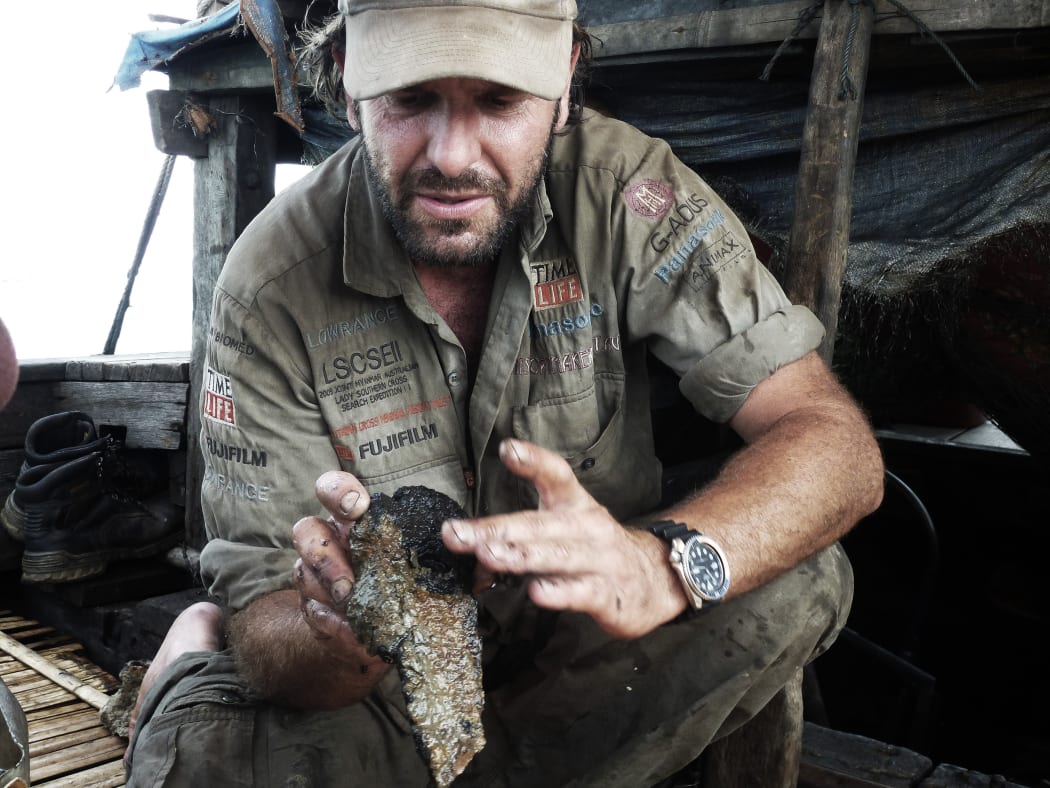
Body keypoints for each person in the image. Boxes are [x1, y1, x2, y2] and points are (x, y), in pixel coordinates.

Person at [125, 0, 885, 785]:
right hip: (382, 693)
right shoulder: (270, 281)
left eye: (499, 101)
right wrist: (346, 629)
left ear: (564, 84)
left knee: (797, 576)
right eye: (411, 99)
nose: (453, 156)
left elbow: (835, 444)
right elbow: (269, 626)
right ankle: (183, 663)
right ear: (349, 86)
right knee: (206, 759)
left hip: (583, 657)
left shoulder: (629, 193)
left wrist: (656, 566)